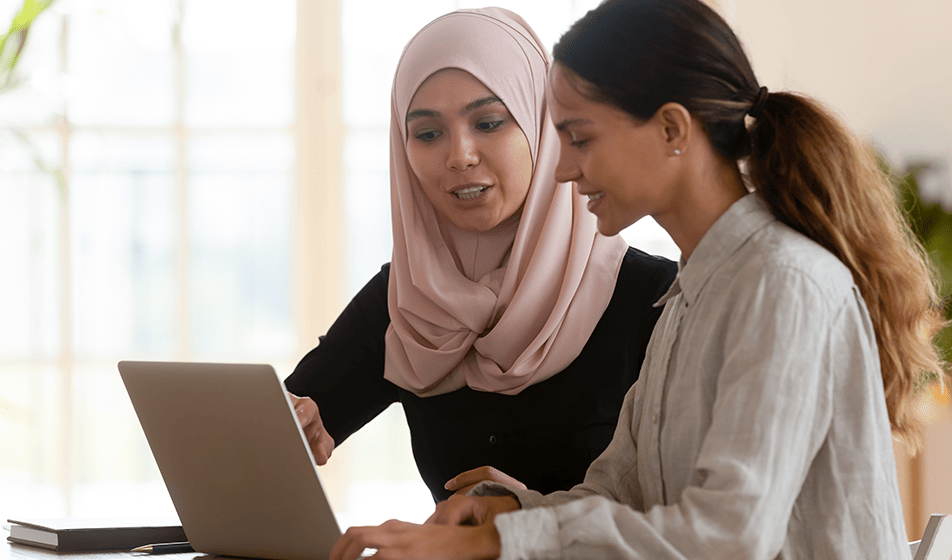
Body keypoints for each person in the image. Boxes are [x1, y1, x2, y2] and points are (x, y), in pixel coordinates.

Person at [328, 0, 950, 558]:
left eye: (580, 138)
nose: (564, 168)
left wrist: (499, 542)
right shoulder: (688, 294)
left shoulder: (782, 283)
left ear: (673, 129)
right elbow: (621, 491)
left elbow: (730, 536)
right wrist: (511, 511)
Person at [284, 7, 676, 504]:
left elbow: (690, 520)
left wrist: (526, 519)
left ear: (545, 127)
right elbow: (291, 418)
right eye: (428, 134)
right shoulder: (408, 298)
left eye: (489, 122)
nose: (459, 155)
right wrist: (291, 425)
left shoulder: (658, 301)